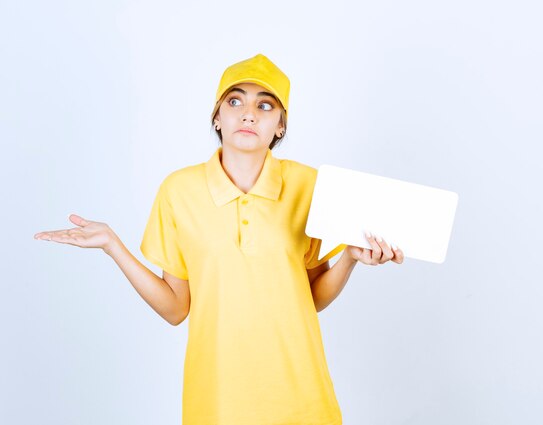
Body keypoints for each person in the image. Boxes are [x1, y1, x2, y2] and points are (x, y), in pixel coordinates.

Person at [34, 53, 404, 425]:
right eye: (235, 100)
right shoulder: (179, 191)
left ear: (280, 126)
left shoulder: (309, 186)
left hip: (301, 397)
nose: (248, 113)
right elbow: (175, 309)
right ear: (217, 117)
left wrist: (350, 259)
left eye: (265, 105)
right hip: (217, 399)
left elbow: (313, 297)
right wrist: (114, 246)